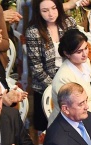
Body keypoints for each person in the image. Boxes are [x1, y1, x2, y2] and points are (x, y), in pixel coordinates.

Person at [25, 0, 75, 131]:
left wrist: (70, 82)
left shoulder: (69, 23)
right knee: (46, 129)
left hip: (70, 78)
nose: (51, 14)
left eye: (54, 8)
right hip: (45, 85)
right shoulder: (33, 32)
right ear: (38, 12)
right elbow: (36, 68)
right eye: (45, 11)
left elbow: (76, 53)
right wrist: (55, 87)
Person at [48, 28, 91, 125]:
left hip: (84, 121)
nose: (85, 54)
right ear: (67, 53)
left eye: (86, 48)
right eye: (79, 52)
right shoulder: (64, 79)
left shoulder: (85, 63)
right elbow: (78, 112)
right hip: (67, 127)